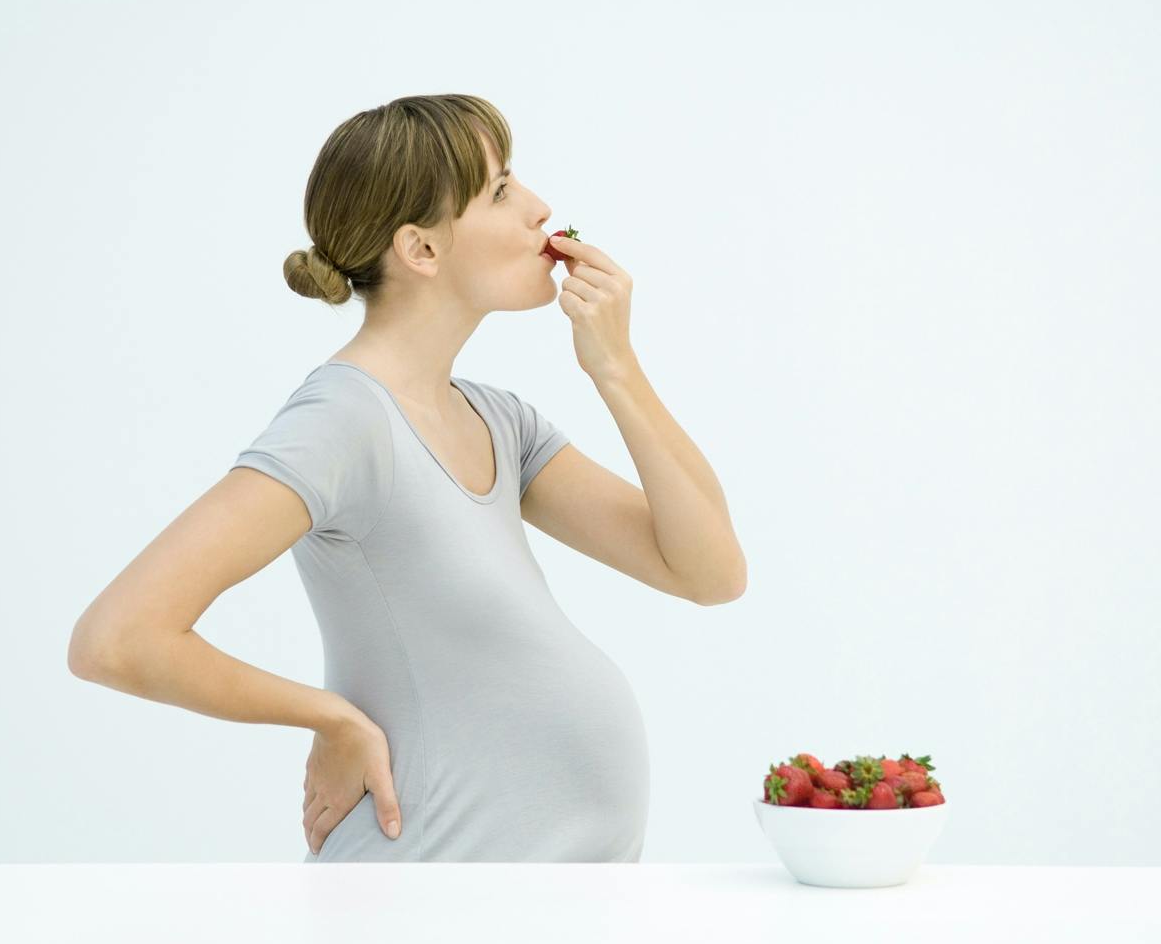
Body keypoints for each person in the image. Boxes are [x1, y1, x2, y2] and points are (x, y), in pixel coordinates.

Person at [66, 94, 747, 861]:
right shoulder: (345, 421)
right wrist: (331, 718)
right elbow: (116, 638)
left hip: (536, 897)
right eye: (500, 190)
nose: (540, 208)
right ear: (421, 249)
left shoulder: (499, 420)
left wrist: (615, 367)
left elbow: (709, 572)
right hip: (424, 882)